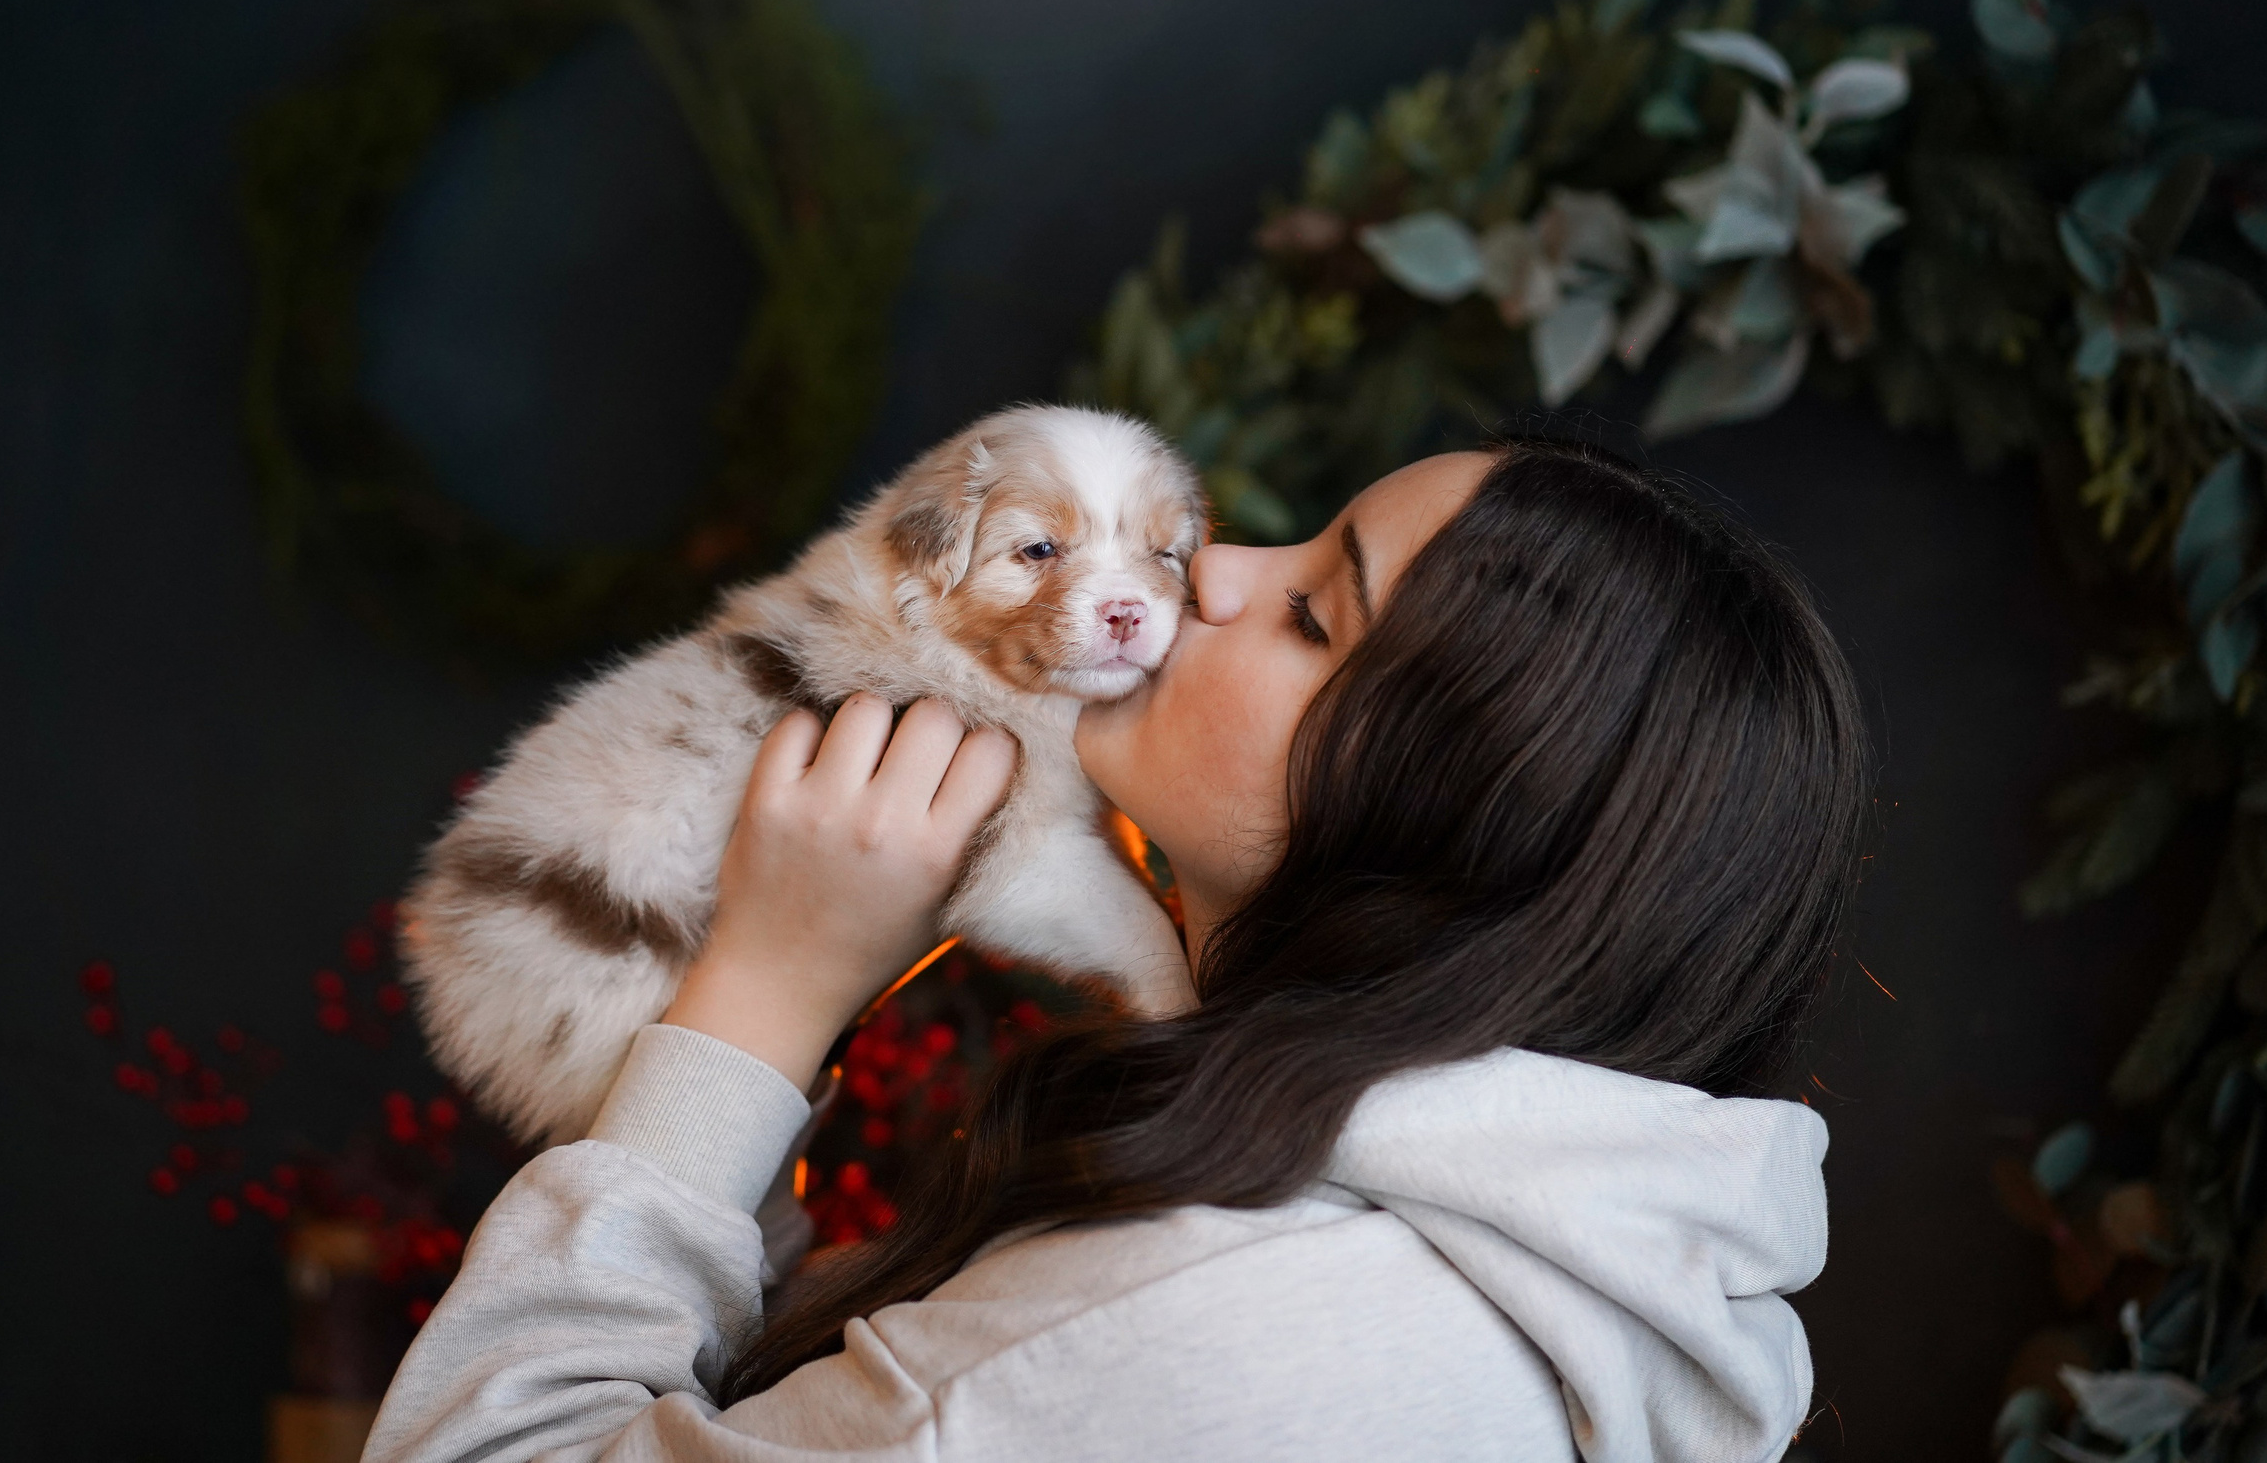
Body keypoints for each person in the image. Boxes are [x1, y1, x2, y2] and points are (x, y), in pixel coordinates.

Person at [364, 436, 1869, 1463]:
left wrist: (757, 1004)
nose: (1213, 567)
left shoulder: (1191, 1342)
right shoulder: (1465, 1270)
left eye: (1311, 617)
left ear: (1452, 812)